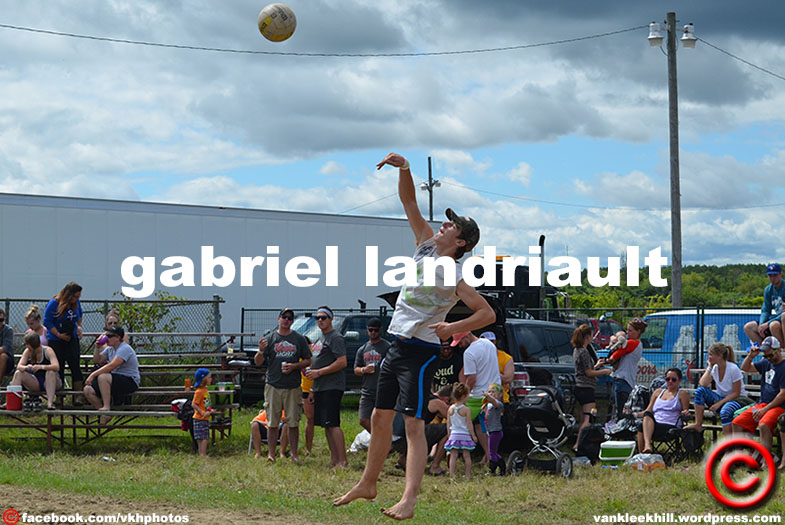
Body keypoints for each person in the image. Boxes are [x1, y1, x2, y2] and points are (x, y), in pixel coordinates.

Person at [334, 152, 495, 520]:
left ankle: (408, 499)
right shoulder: (425, 244)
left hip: (421, 352)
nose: (444, 224)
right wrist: (405, 168)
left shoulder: (453, 273)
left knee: (413, 423)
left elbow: (487, 313)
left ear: (461, 242)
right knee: (379, 418)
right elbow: (408, 200)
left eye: (452, 225)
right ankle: (368, 483)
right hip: (398, 345)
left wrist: (452, 329)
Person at [254, 307, 311, 463]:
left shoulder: (299, 339)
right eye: (284, 317)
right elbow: (258, 362)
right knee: (272, 422)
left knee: (293, 423)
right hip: (273, 385)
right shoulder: (270, 338)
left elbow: (308, 360)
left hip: (293, 386)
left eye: (290, 318)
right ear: (278, 319)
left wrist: (294, 366)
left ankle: (294, 454)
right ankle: (271, 455)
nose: (286, 320)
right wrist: (260, 351)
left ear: (292, 321)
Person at [304, 306, 348, 468]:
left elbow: (342, 362)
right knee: (326, 425)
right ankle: (334, 459)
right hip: (320, 387)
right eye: (318, 318)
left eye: (323, 317)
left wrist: (319, 372)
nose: (320, 320)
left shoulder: (335, 337)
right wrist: (313, 389)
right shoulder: (320, 338)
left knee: (333, 423)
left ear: (331, 319)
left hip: (332, 386)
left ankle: (342, 460)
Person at [732, 336, 785, 459]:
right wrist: (751, 356)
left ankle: (766, 460)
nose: (768, 358)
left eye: (770, 355)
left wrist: (765, 409)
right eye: (765, 356)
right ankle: (739, 457)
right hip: (763, 404)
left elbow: (783, 394)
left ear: (778, 350)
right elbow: (745, 368)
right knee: (737, 423)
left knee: (764, 425)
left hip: (779, 406)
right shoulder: (766, 363)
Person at [455, 330, 501, 467]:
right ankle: (489, 457)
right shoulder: (489, 344)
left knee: (456, 419)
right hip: (495, 390)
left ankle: (441, 457)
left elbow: (472, 379)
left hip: (479, 395)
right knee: (483, 426)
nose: (459, 345)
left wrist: (463, 395)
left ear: (465, 336)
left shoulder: (469, 353)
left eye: (460, 342)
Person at [683, 343, 747, 435]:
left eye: (711, 354)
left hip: (737, 400)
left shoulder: (733, 368)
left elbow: (736, 393)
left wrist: (719, 404)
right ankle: (698, 424)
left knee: (725, 411)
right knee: (700, 391)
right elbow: (703, 383)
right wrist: (709, 367)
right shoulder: (715, 368)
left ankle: (728, 442)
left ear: (720, 356)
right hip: (721, 399)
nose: (709, 357)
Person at [83, 325, 140, 422]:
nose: (106, 338)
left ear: (118, 337)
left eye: (109, 336)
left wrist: (92, 375)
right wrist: (97, 348)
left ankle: (106, 407)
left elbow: (112, 366)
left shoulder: (124, 348)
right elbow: (97, 360)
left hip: (129, 381)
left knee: (103, 376)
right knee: (87, 389)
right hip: (114, 380)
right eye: (106, 335)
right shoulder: (110, 349)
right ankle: (105, 415)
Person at [571, 324, 612, 451]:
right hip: (586, 388)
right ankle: (578, 445)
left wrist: (596, 366)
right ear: (587, 337)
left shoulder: (577, 350)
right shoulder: (584, 352)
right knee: (589, 418)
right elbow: (588, 373)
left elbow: (586, 370)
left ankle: (579, 443)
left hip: (580, 387)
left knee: (583, 418)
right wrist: (604, 371)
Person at [635, 368, 690, 454]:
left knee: (643, 425)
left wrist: (685, 413)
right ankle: (642, 454)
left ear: (679, 380)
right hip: (655, 424)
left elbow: (685, 411)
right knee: (642, 422)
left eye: (673, 379)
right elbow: (648, 410)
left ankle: (646, 447)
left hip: (671, 425)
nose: (670, 381)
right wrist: (633, 414)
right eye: (668, 379)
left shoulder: (682, 394)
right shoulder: (657, 392)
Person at [43, 282, 84, 390]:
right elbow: (47, 322)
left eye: (78, 297)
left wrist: (79, 327)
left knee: (75, 365)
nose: (77, 299)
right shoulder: (54, 303)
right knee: (59, 366)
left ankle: (78, 394)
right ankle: (60, 394)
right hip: (56, 339)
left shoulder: (76, 303)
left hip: (71, 337)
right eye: (75, 296)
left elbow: (79, 315)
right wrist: (58, 334)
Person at [354, 317, 390, 433]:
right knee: (363, 420)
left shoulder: (387, 347)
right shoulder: (362, 349)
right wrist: (363, 370)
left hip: (382, 389)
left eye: (376, 330)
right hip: (367, 390)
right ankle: (380, 438)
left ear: (381, 330)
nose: (373, 332)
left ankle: (383, 440)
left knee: (381, 419)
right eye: (370, 330)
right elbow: (356, 369)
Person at [606, 318, 647, 419]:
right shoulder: (639, 344)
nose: (627, 333)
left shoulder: (631, 343)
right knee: (625, 411)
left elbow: (612, 358)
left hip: (623, 380)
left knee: (621, 413)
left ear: (638, 331)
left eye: (630, 330)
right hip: (628, 380)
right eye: (627, 330)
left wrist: (608, 358)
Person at [11, 332, 62, 409]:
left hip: (51, 381)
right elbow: (19, 366)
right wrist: (26, 367)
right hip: (36, 381)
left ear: (29, 345)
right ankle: (13, 402)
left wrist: (42, 367)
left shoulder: (47, 350)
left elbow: (56, 366)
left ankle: (50, 403)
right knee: (18, 373)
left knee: (50, 372)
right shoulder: (27, 351)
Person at [744, 263, 785, 345]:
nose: (772, 278)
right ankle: (765, 349)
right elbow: (766, 310)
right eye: (770, 276)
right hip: (776, 318)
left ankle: (781, 350)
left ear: (781, 274)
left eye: (775, 275)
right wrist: (762, 325)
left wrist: (768, 323)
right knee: (748, 327)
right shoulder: (768, 289)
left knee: (774, 325)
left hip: (781, 319)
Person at [444, 383, 478, 479]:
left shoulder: (450, 409)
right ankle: (467, 474)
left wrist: (449, 434)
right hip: (464, 435)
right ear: (463, 396)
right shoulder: (466, 409)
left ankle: (452, 474)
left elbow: (448, 423)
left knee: (453, 455)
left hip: (454, 435)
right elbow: (469, 423)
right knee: (466, 455)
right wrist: (473, 435)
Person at [482, 331, 514, 403]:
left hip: (501, 400)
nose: (488, 344)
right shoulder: (478, 356)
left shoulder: (506, 358)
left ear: (495, 342)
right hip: (481, 398)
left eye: (491, 341)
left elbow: (508, 378)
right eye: (484, 342)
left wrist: (488, 372)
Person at [191, 368, 215, 456]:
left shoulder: (205, 390)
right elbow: (194, 404)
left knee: (203, 437)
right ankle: (203, 454)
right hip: (200, 418)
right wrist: (202, 412)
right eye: (209, 377)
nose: (211, 379)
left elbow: (205, 403)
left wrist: (210, 410)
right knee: (204, 438)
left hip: (205, 417)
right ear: (203, 379)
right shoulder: (199, 392)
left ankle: (201, 454)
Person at [483, 383, 505, 475]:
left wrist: (488, 397)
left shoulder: (498, 404)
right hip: (490, 431)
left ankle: (492, 470)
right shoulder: (488, 405)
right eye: (489, 391)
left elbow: (494, 402)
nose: (491, 393)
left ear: (499, 394)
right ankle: (501, 466)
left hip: (496, 431)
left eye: (493, 392)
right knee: (493, 451)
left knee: (491, 452)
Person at [301, 336, 315, 456]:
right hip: (304, 389)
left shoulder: (314, 354)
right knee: (310, 418)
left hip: (318, 388)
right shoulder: (298, 356)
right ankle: (308, 449)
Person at [0, 307, 14, 387]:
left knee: (3, 356)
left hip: (7, 362)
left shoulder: (8, 330)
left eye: (1, 320)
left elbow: (6, 348)